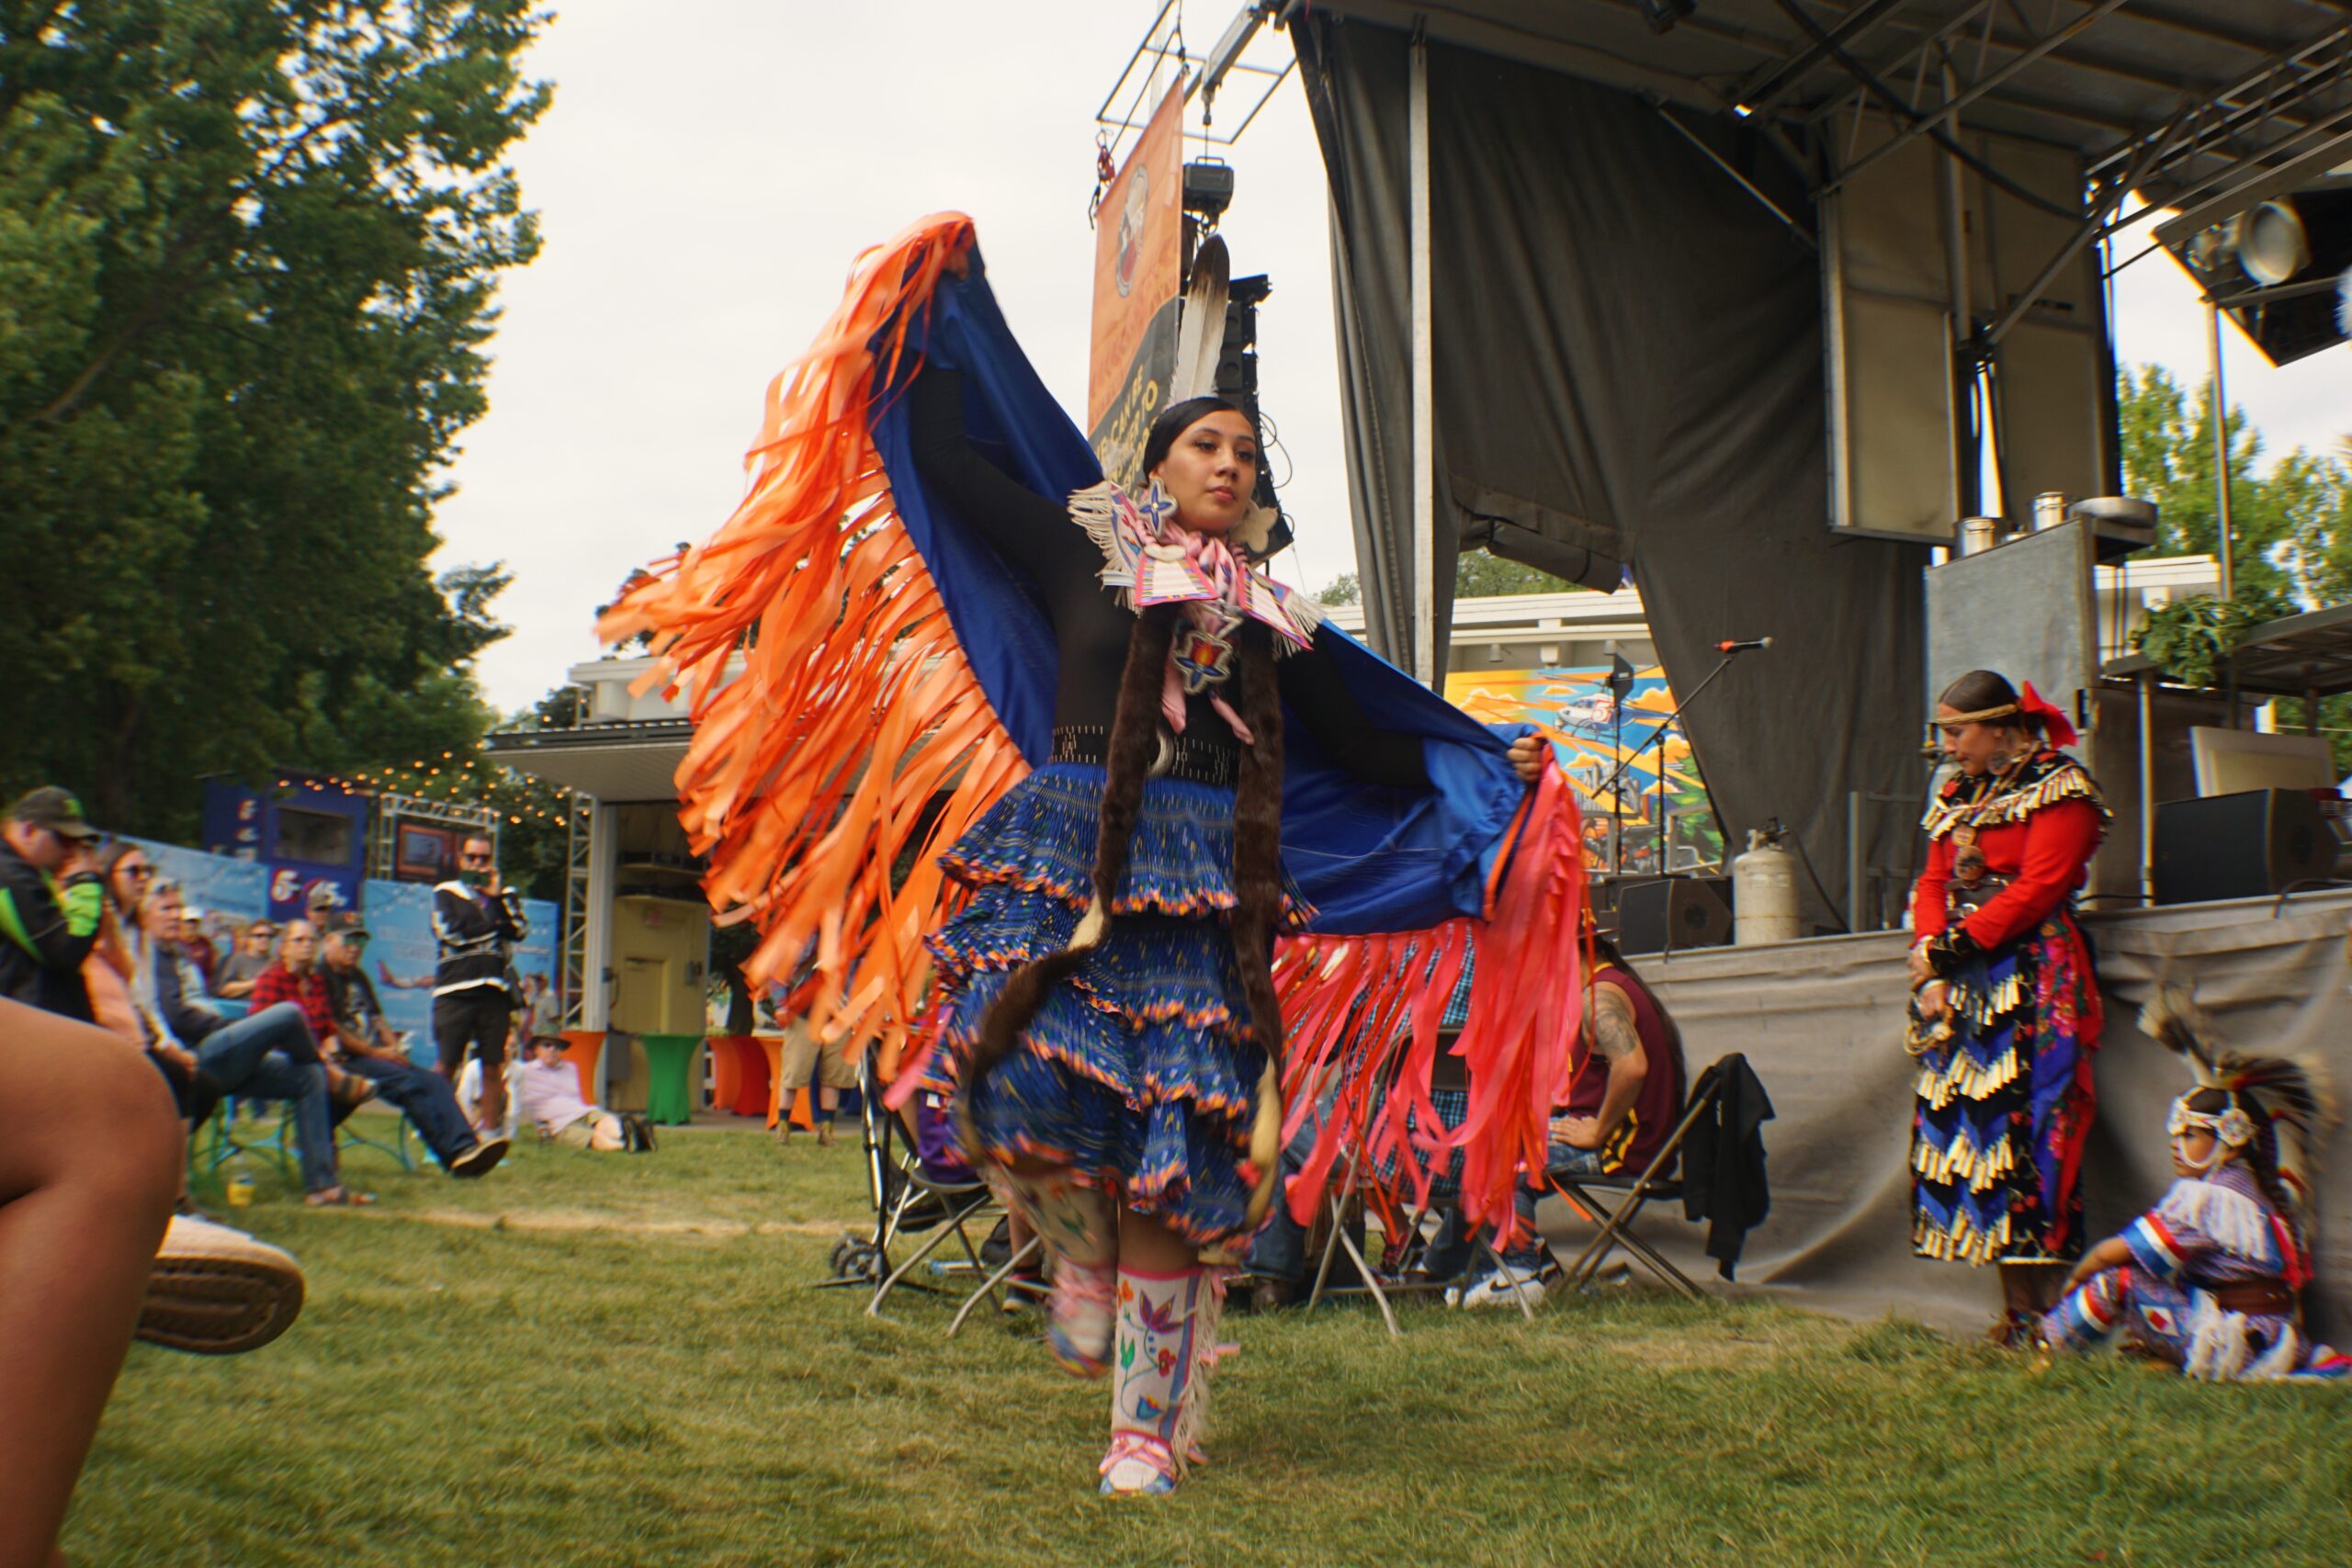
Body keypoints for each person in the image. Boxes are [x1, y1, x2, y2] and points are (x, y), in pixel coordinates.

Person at [601, 217, 1586, 1498]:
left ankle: (1143, 1429)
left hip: (1205, 886)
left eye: (1243, 450)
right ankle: (1073, 1246)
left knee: (1171, 1157)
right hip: (1078, 854)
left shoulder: (1278, 620)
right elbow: (953, 460)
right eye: (1204, 444)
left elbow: (1369, 738)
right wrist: (939, 308)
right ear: (1158, 466)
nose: (1227, 462)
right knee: (1014, 1091)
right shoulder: (1089, 547)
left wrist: (1481, 761)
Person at [1906, 670, 2108, 1343]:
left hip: (2033, 975)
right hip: (1963, 979)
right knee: (1974, 1135)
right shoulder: (1958, 792)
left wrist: (1947, 950)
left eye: (1956, 731)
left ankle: (2052, 1312)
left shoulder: (2061, 786)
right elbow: (1932, 880)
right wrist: (1931, 960)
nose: (1948, 745)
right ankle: (2014, 1310)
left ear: (1999, 726)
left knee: (2031, 1132)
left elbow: (2040, 888)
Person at [2040, 988, 2347, 1378]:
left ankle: (2044, 1347)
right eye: (2175, 1133)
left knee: (2117, 1281)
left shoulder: (2208, 1200)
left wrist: (2073, 1284)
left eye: (2190, 1134)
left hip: (2235, 1342)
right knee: (2153, 1279)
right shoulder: (2261, 1192)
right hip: (2276, 1338)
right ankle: (2145, 1352)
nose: (2175, 1143)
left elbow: (2110, 1255)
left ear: (2230, 1141)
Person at [1444, 931, 1689, 1308]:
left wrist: (1598, 1130)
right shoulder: (1601, 989)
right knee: (1485, 1143)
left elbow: (1633, 1067)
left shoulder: (1600, 997)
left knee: (1499, 1159)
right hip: (1629, 1140)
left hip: (1625, 1148)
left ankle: (1520, 1274)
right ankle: (1524, 1266)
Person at [194, 911, 373, 1206]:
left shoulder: (316, 982)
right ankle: (330, 1073)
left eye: (310, 940)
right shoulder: (271, 978)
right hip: (251, 1057)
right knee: (291, 1016)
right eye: (298, 940)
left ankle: (321, 1187)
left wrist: (329, 1051)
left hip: (303, 1062)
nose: (306, 945)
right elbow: (261, 1035)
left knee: (311, 1076)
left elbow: (328, 1028)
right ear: (284, 947)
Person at [318, 912, 509, 1178]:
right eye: (348, 941)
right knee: (409, 1084)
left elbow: (377, 1018)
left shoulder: (357, 977)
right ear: (328, 940)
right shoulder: (320, 976)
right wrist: (378, 1052)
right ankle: (453, 1155)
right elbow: (333, 1030)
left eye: (360, 943)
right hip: (342, 1061)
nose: (354, 949)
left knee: (435, 1081)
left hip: (372, 1056)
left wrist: (393, 1050)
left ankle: (467, 1148)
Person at [431, 833, 527, 1135]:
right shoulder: (446, 892)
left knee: (492, 1065)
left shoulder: (504, 894)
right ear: (461, 860)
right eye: (471, 858)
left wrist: (496, 898)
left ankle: (489, 1136)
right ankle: (434, 1131)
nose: (477, 864)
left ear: (491, 862)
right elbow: (450, 933)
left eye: (483, 859)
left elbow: (520, 929)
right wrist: (494, 927)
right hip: (455, 990)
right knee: (447, 1064)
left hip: (494, 990)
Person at [0, 784, 107, 1021]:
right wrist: (84, 881)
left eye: (78, 842)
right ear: (29, 830)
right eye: (63, 839)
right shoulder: (8, 875)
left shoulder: (31, 872)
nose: (72, 851)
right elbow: (65, 950)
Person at [516, 1033, 645, 1151]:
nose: (552, 1049)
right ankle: (626, 1145)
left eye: (557, 1047)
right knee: (595, 1137)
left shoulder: (570, 1068)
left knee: (605, 1120)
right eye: (547, 1045)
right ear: (535, 1050)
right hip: (557, 1125)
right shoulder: (524, 1071)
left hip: (581, 1112)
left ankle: (626, 1135)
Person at [213, 918, 278, 1000]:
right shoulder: (237, 960)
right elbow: (223, 990)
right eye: (259, 935)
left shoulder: (275, 963)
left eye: (269, 936)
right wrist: (256, 982)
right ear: (250, 938)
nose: (265, 939)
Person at [176, 905, 220, 994]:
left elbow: (211, 972)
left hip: (198, 992)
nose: (191, 925)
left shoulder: (205, 944)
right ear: (180, 923)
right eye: (188, 922)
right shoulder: (174, 942)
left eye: (195, 922)